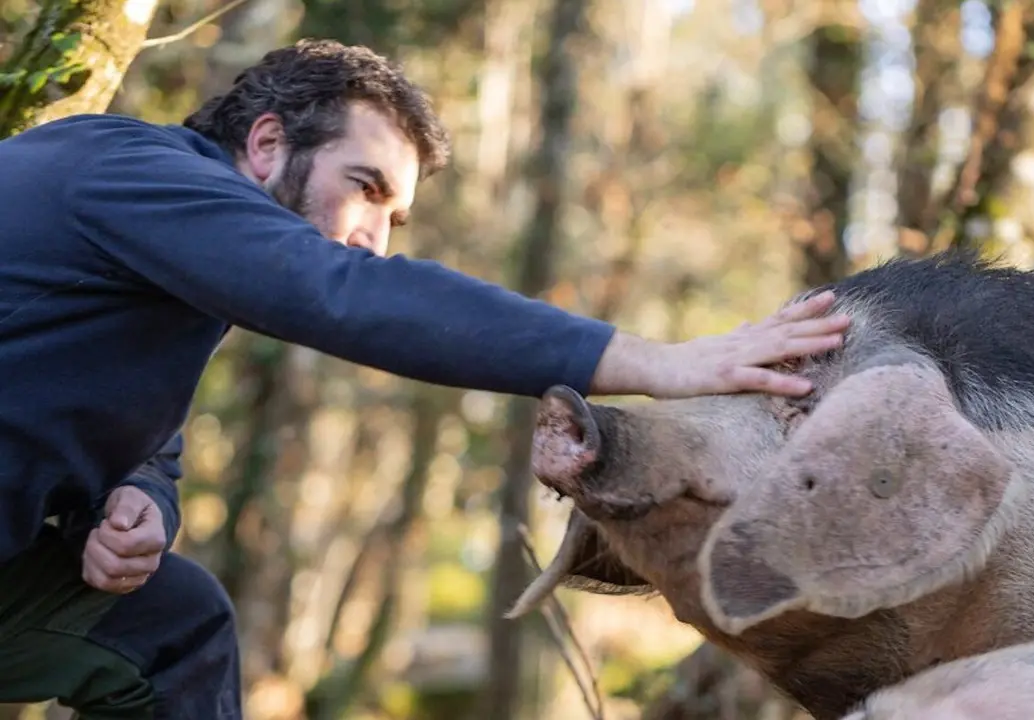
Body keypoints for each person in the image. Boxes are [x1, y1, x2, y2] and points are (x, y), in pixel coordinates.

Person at [0, 38, 849, 717]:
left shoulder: (167, 275)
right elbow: (341, 292)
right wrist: (661, 362)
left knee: (171, 623)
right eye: (363, 188)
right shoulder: (125, 170)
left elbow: (148, 445)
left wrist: (144, 501)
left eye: (394, 216)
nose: (374, 235)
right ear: (266, 144)